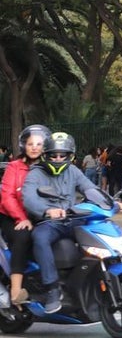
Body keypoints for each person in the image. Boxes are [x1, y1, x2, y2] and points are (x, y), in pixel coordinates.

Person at [23, 131, 122, 314]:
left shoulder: (73, 171)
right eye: (54, 155)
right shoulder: (35, 174)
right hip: (48, 223)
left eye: (63, 155)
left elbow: (90, 188)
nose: (58, 158)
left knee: (100, 228)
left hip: (72, 219)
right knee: (40, 238)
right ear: (46, 155)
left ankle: (94, 275)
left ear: (70, 156)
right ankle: (52, 288)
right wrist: (47, 210)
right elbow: (28, 198)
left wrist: (110, 202)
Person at [1, 124, 51, 308]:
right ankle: (16, 291)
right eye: (30, 144)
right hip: (11, 216)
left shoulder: (50, 167)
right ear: (24, 146)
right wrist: (21, 218)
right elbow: (7, 197)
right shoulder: (14, 167)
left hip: (41, 216)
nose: (35, 147)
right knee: (23, 237)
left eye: (39, 144)